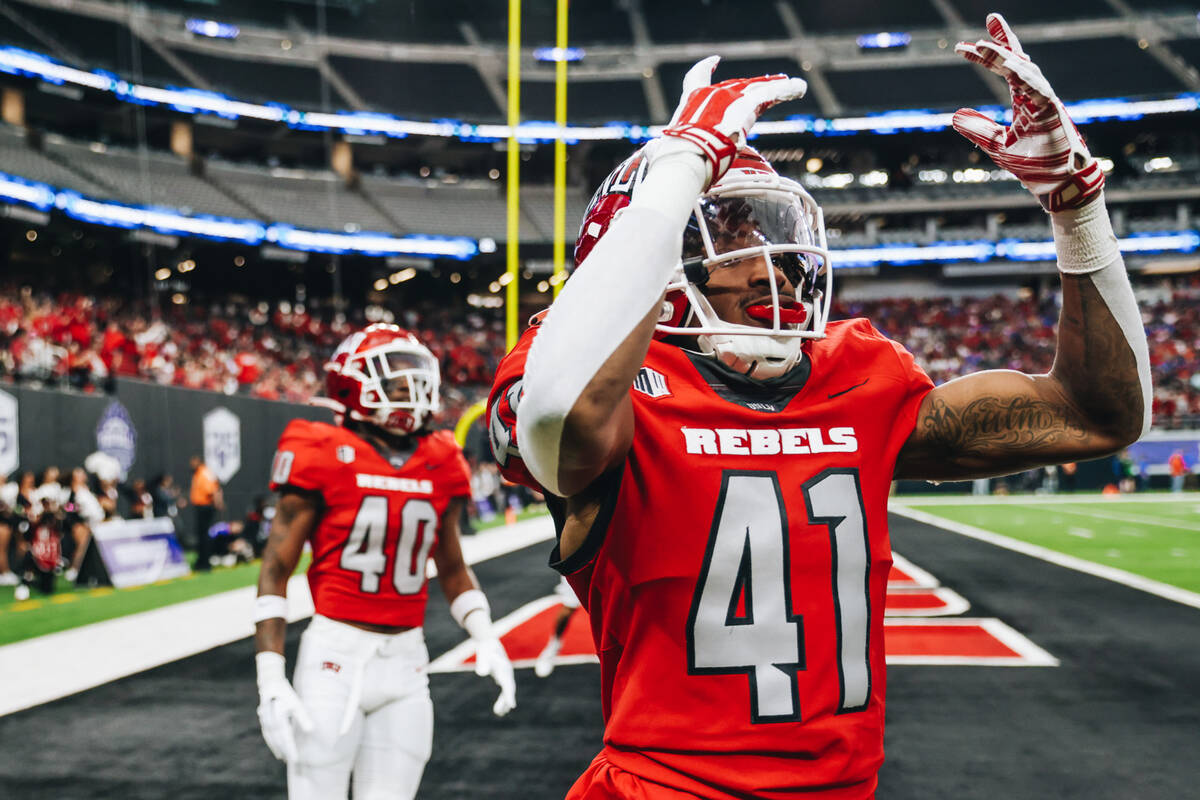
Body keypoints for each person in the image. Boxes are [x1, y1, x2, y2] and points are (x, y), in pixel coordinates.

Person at [488, 17, 1150, 799]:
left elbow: (1098, 414)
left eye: (777, 236)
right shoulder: (594, 382)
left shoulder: (858, 374)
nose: (778, 266)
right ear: (660, 260)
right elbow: (559, 418)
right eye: (731, 237)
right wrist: (677, 165)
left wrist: (1076, 212)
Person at [254, 323, 517, 800]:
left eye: (417, 375)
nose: (410, 387)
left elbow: (453, 568)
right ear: (351, 383)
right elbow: (275, 569)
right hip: (335, 655)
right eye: (395, 375)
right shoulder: (321, 449)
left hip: (408, 662)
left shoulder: (441, 458)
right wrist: (269, 677)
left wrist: (485, 635)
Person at [533, 576, 582, 679]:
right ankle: (555, 643)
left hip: (606, 565)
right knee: (569, 607)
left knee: (608, 608)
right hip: (577, 565)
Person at [189, 454, 223, 571]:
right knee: (201, 535)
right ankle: (201, 561)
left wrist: (218, 502)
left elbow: (213, 490)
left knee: (205, 536)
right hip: (200, 507)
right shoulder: (198, 473)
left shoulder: (204, 472)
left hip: (205, 507)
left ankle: (205, 562)